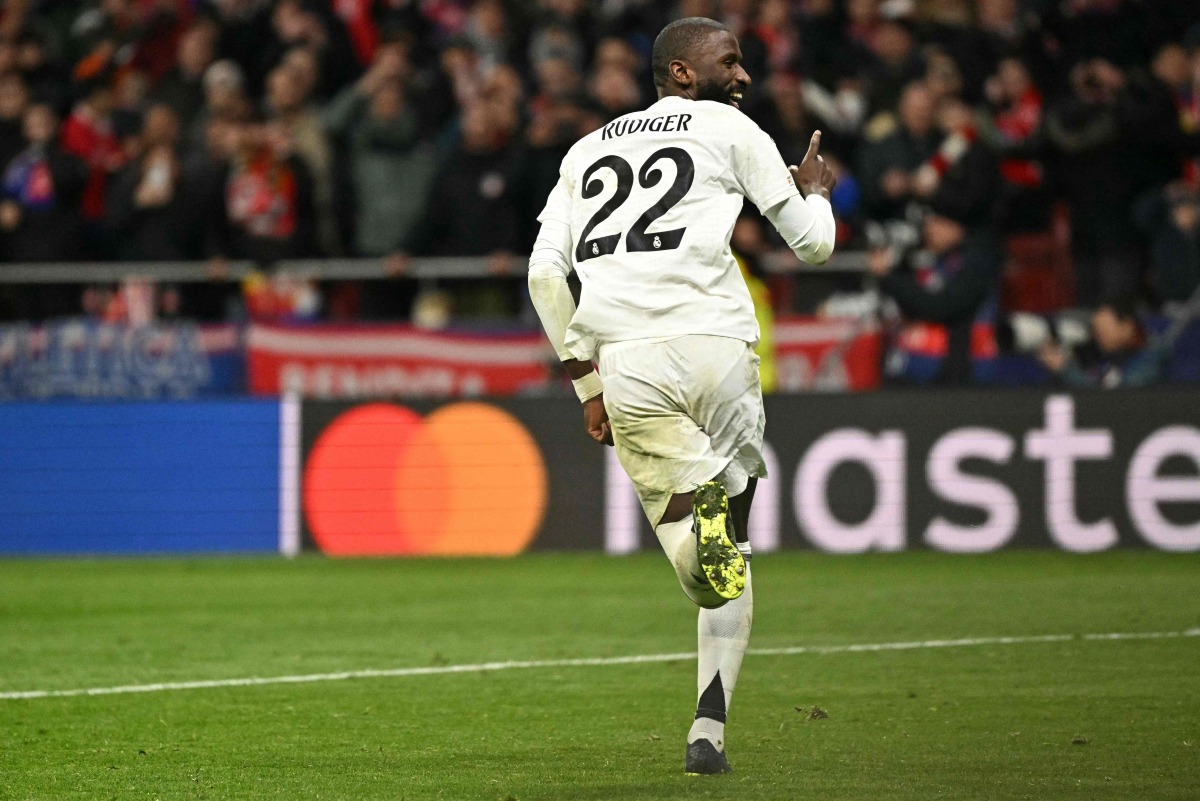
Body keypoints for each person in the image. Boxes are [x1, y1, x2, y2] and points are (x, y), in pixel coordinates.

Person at [526, 16, 836, 776]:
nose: (745, 75)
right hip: (720, 348)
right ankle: (708, 729)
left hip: (628, 361)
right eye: (730, 60)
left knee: (695, 546)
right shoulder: (732, 130)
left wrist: (587, 385)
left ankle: (699, 547)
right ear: (682, 73)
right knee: (737, 535)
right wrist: (816, 193)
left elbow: (542, 276)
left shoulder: (585, 149)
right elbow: (813, 244)